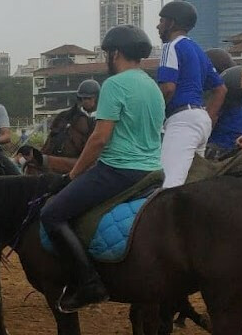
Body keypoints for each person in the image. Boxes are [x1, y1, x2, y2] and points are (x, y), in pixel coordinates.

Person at [40, 25, 164, 313]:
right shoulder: (152, 87)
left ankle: (89, 283)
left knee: (52, 213)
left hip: (118, 170)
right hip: (153, 170)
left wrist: (72, 176)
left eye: (108, 54)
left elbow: (99, 138)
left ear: (115, 53)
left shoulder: (114, 85)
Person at [155, 1, 225, 188]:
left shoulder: (171, 46)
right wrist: (208, 118)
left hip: (181, 120)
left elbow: (168, 88)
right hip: (201, 120)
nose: (158, 26)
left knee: (168, 184)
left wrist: (154, 117)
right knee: (193, 186)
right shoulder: (198, 50)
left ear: (172, 23)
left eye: (162, 21)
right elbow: (220, 89)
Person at [203, 49, 242, 160]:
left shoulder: (221, 89)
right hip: (238, 142)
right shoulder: (236, 87)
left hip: (220, 145)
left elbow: (213, 118)